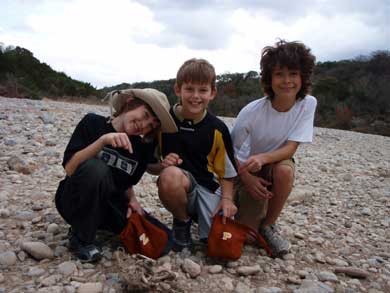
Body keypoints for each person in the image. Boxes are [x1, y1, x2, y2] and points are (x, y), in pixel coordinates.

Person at [55, 88, 177, 262]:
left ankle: (100, 228)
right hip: (73, 200)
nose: (144, 124)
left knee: (163, 239)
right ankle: (81, 238)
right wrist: (102, 141)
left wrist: (133, 199)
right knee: (97, 169)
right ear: (130, 103)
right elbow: (70, 168)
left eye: (151, 124)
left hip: (109, 205)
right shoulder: (92, 123)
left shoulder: (142, 147)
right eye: (145, 114)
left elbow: (126, 181)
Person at [231, 40, 317, 258]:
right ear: (269, 78)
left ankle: (269, 225)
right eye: (279, 74)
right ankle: (242, 205)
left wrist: (263, 157)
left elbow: (290, 149)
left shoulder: (308, 104)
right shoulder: (252, 111)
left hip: (273, 163)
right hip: (243, 169)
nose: (287, 81)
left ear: (303, 77)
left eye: (293, 74)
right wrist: (247, 177)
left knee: (285, 170)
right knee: (248, 238)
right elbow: (228, 152)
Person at [157, 58, 238, 252]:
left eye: (202, 90)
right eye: (189, 89)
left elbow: (227, 172)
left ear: (212, 93)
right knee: (170, 176)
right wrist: (162, 165)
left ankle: (205, 219)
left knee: (220, 250)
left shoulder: (217, 128)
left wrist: (227, 200)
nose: (195, 96)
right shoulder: (163, 121)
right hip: (180, 186)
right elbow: (150, 165)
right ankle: (182, 222)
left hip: (209, 189)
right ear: (178, 90)